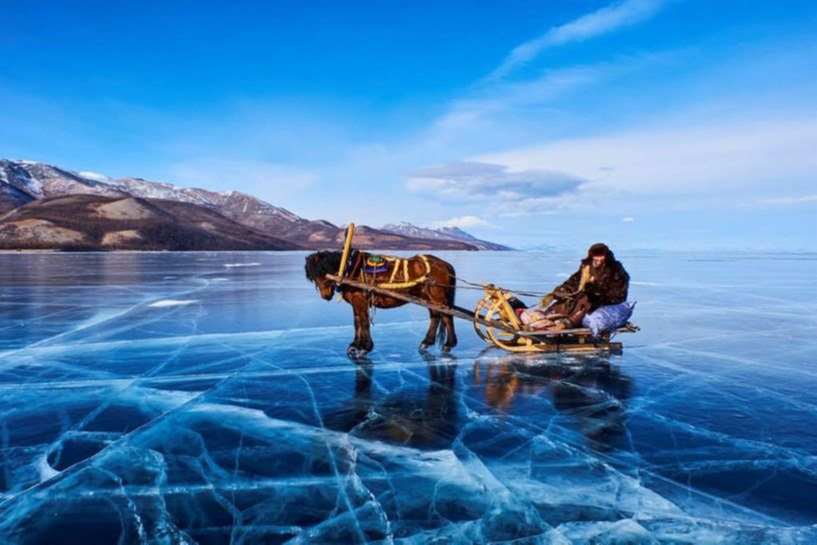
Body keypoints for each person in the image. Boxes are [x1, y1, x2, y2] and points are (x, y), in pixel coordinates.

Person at [536, 243, 629, 330]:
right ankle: (546, 318)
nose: (599, 259)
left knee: (585, 301)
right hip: (586, 295)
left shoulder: (615, 269)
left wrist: (596, 293)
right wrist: (563, 289)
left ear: (606, 256)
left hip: (606, 299)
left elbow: (618, 292)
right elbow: (575, 281)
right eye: (596, 256)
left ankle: (568, 323)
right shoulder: (587, 267)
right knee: (565, 302)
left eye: (601, 256)